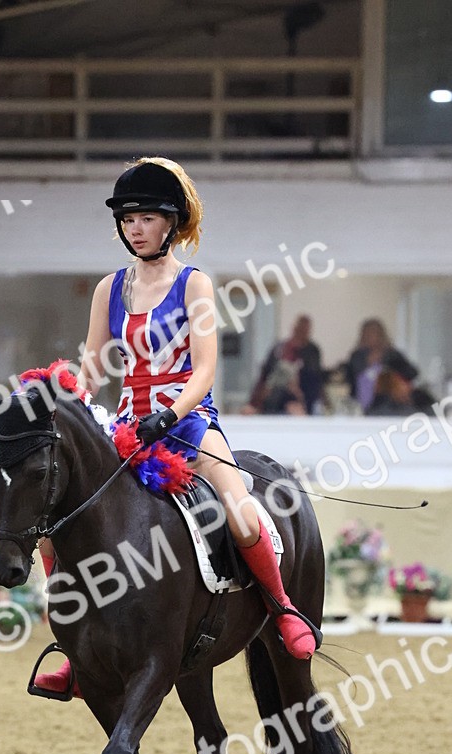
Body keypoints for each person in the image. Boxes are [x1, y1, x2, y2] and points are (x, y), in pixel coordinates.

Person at [35, 156, 316, 696]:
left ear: (171, 224)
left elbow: (207, 367)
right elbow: (94, 365)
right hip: (124, 427)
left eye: (145, 218)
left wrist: (169, 413)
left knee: (243, 515)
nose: (134, 228)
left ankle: (282, 608)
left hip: (187, 422)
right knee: (55, 530)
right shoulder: (108, 289)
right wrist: (66, 398)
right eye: (127, 219)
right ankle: (75, 648)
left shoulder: (195, 285)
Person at [245, 315, 323, 415]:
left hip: (298, 400)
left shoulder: (312, 352)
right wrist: (254, 402)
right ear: (294, 329)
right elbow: (265, 375)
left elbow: (314, 379)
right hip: (273, 399)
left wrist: (300, 394)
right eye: (299, 329)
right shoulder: (279, 349)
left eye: (304, 330)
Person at [345, 319, 418, 414]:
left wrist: (387, 366)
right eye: (366, 333)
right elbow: (349, 379)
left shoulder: (392, 355)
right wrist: (367, 364)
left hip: (389, 407)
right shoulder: (357, 356)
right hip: (359, 407)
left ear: (381, 335)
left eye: (373, 332)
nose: (369, 336)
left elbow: (412, 373)